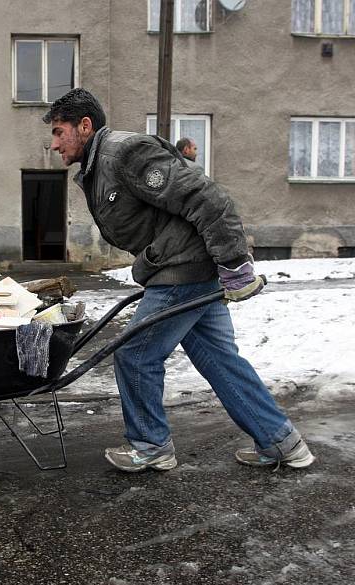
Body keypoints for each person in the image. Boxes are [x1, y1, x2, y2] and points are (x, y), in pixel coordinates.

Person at [43, 88, 314, 473]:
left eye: (58, 132)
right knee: (219, 360)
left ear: (84, 126)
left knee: (135, 353)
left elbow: (206, 197)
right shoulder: (97, 165)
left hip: (183, 267)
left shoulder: (124, 153)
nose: (54, 144)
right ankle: (283, 444)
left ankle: (150, 445)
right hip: (179, 266)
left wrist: (235, 263)